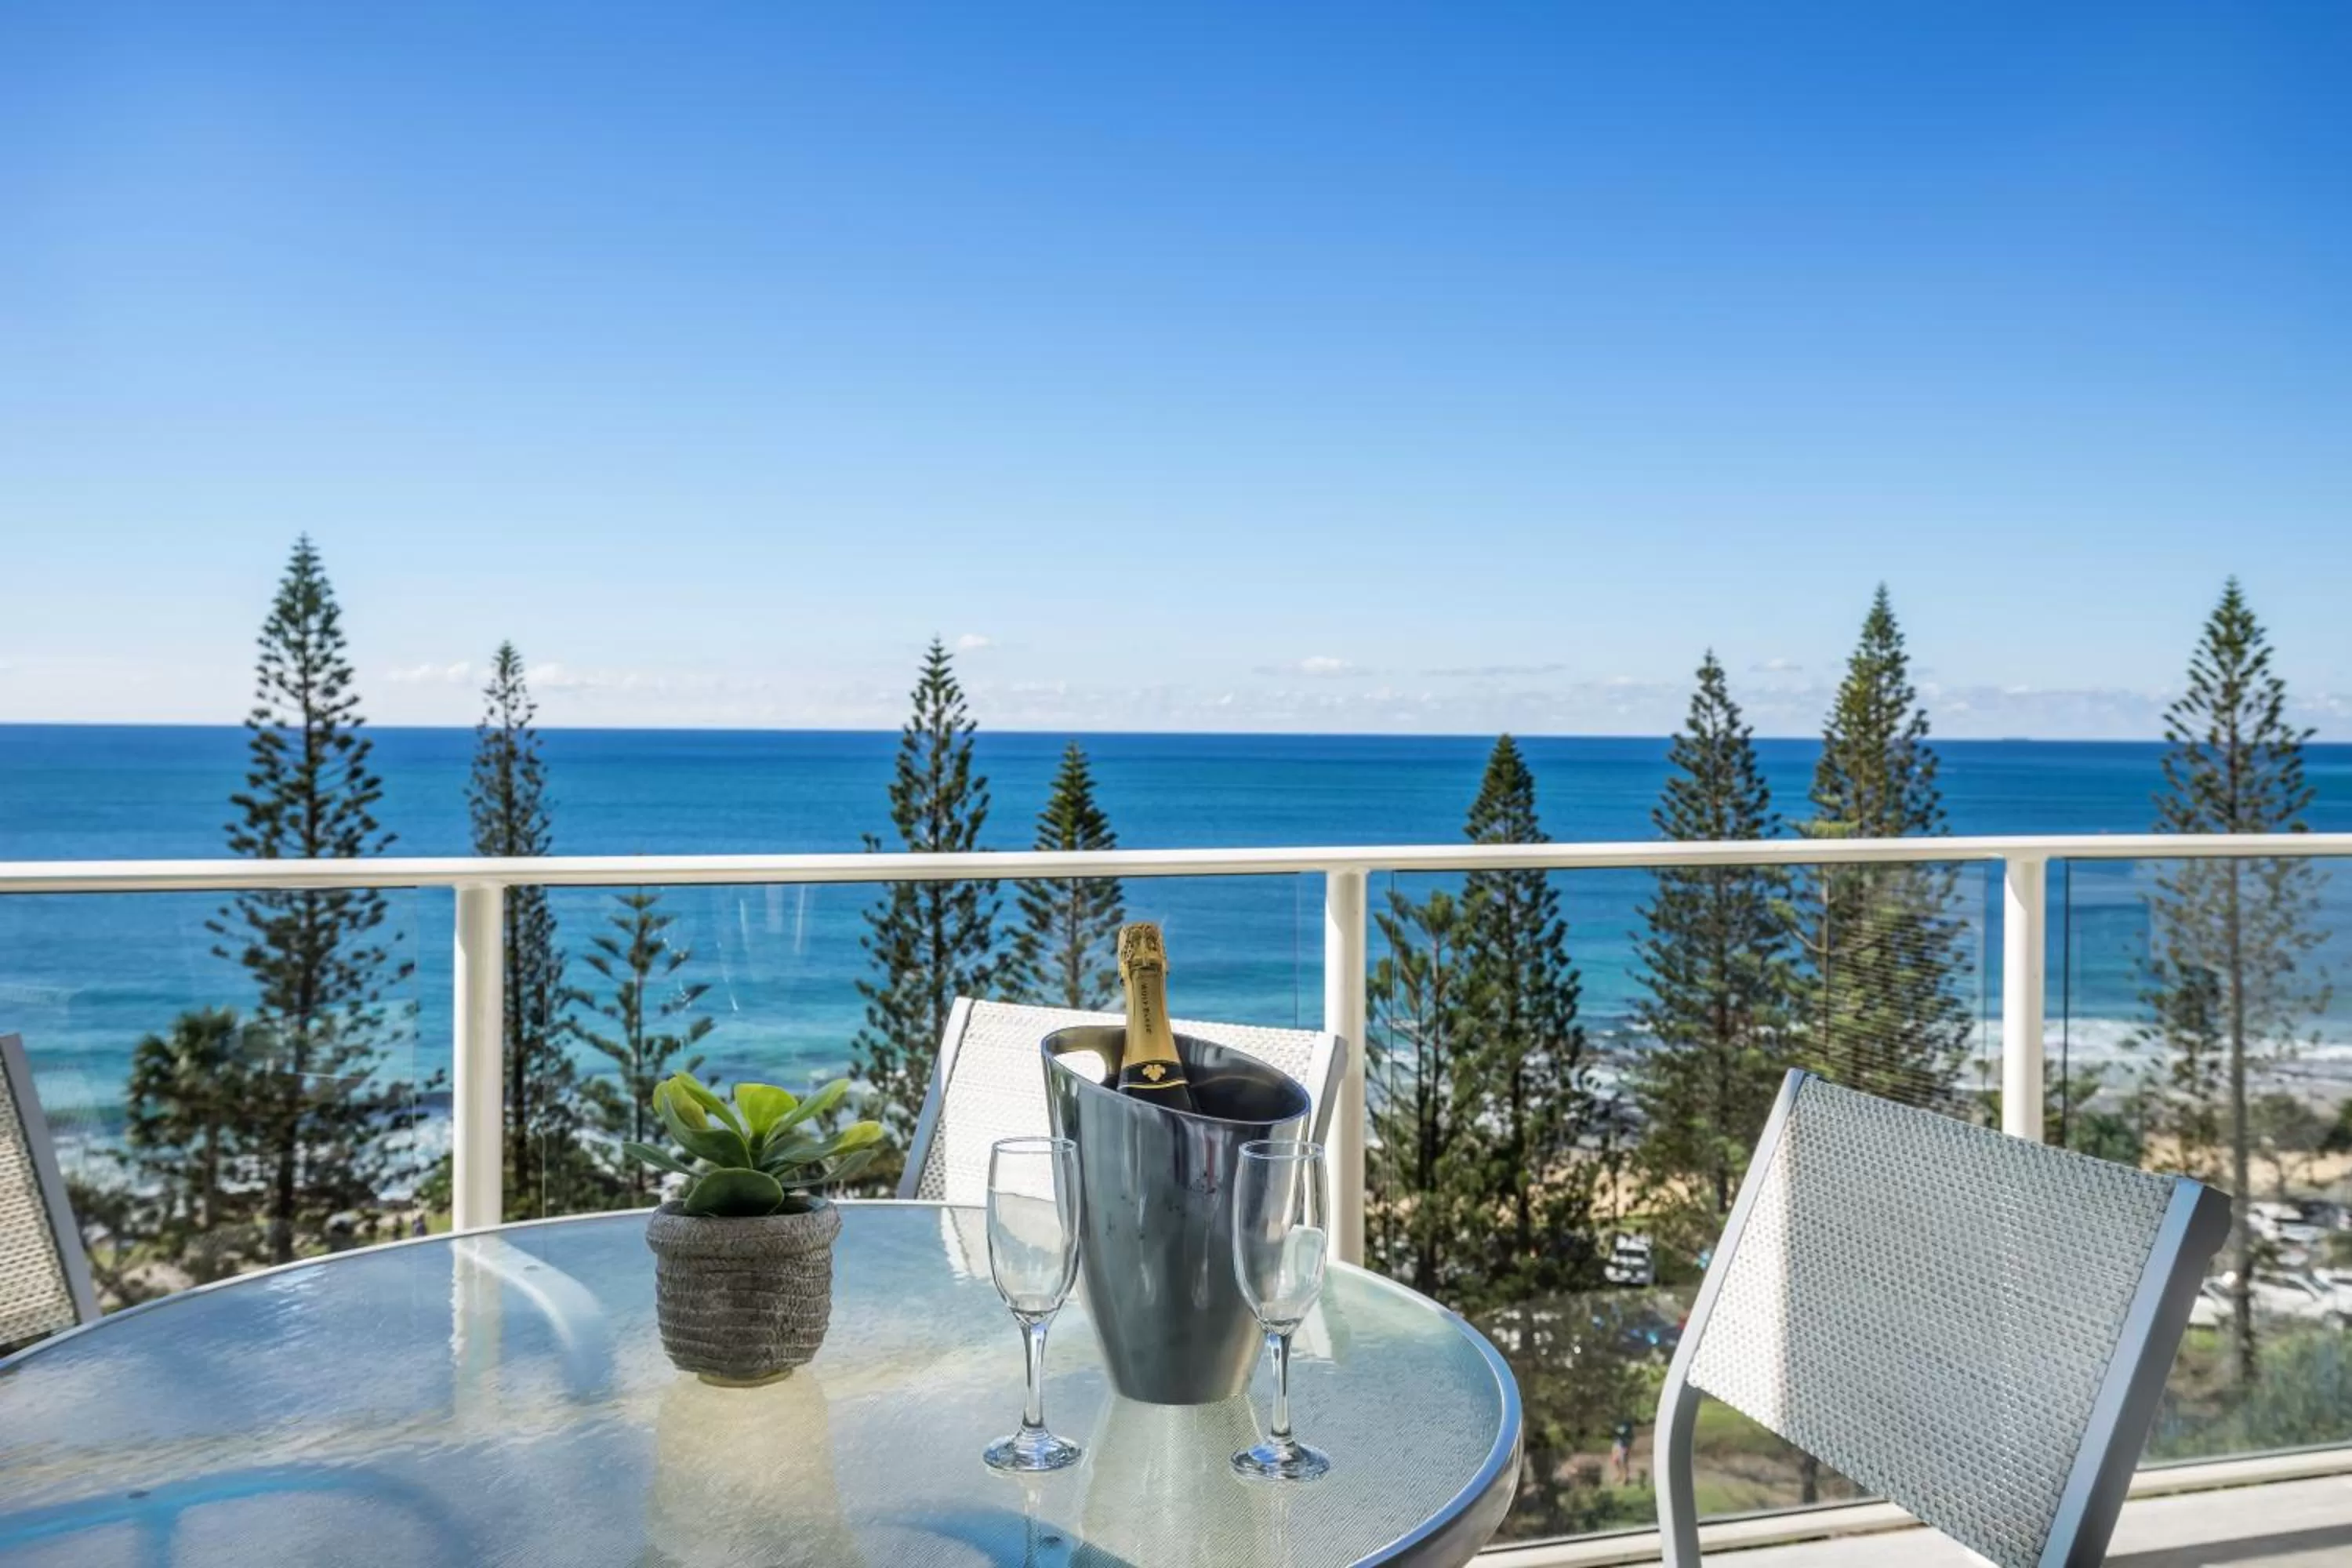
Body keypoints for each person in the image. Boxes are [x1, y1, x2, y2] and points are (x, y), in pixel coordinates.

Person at [1610, 1416, 1637, 1486]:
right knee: (1615, 1460)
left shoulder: (1627, 1424)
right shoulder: (1616, 1421)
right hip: (1617, 1443)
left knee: (1624, 1461)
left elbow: (1628, 1435)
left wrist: (1627, 1444)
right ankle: (1620, 1475)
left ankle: (1625, 1478)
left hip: (1624, 1444)